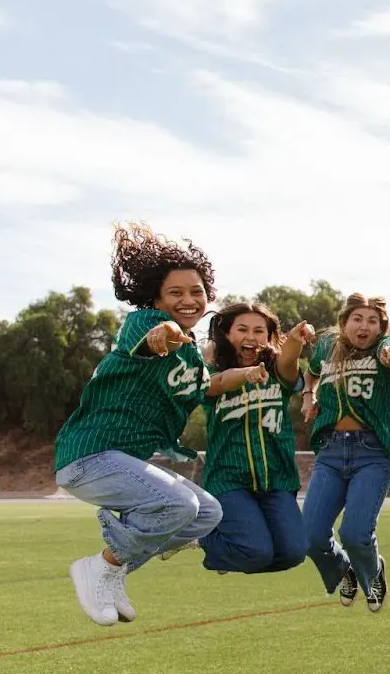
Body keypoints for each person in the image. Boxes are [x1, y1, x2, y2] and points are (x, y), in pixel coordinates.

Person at [54, 222, 222, 625]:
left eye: (196, 291)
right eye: (175, 293)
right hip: (88, 455)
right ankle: (100, 566)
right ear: (156, 299)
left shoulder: (191, 357)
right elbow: (149, 335)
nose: (188, 299)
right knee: (178, 503)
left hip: (120, 461)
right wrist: (162, 331)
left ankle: (113, 574)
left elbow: (207, 387)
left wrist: (250, 374)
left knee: (206, 513)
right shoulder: (145, 321)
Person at [197, 302, 316, 576]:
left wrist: (296, 342)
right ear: (227, 335)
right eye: (242, 329)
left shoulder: (277, 373)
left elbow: (288, 362)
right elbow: (217, 384)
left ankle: (233, 552)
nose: (251, 336)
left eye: (259, 330)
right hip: (229, 479)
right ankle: (201, 537)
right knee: (256, 552)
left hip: (275, 479)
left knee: (293, 553)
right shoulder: (209, 371)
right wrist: (245, 374)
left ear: (269, 336)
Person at [301, 293, 390, 612]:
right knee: (311, 535)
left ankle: (372, 574)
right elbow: (312, 371)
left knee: (355, 533)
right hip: (330, 453)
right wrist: (308, 395)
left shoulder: (386, 346)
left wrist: (388, 353)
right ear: (343, 323)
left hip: (370, 454)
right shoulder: (326, 347)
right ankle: (344, 570)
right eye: (357, 319)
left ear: (381, 327)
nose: (364, 326)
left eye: (373, 321)